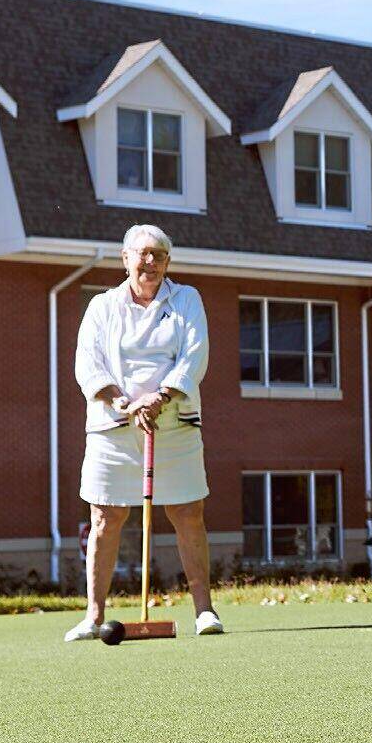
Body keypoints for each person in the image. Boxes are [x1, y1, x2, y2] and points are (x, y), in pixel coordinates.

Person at [63, 225, 222, 640]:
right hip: (114, 426)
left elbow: (194, 355)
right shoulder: (101, 306)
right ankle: (93, 616)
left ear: (167, 262)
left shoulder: (187, 299)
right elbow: (88, 363)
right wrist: (124, 402)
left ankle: (205, 612)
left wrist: (160, 397)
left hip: (174, 423)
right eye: (144, 254)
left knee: (188, 512)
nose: (151, 262)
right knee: (105, 515)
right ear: (126, 257)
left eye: (160, 256)